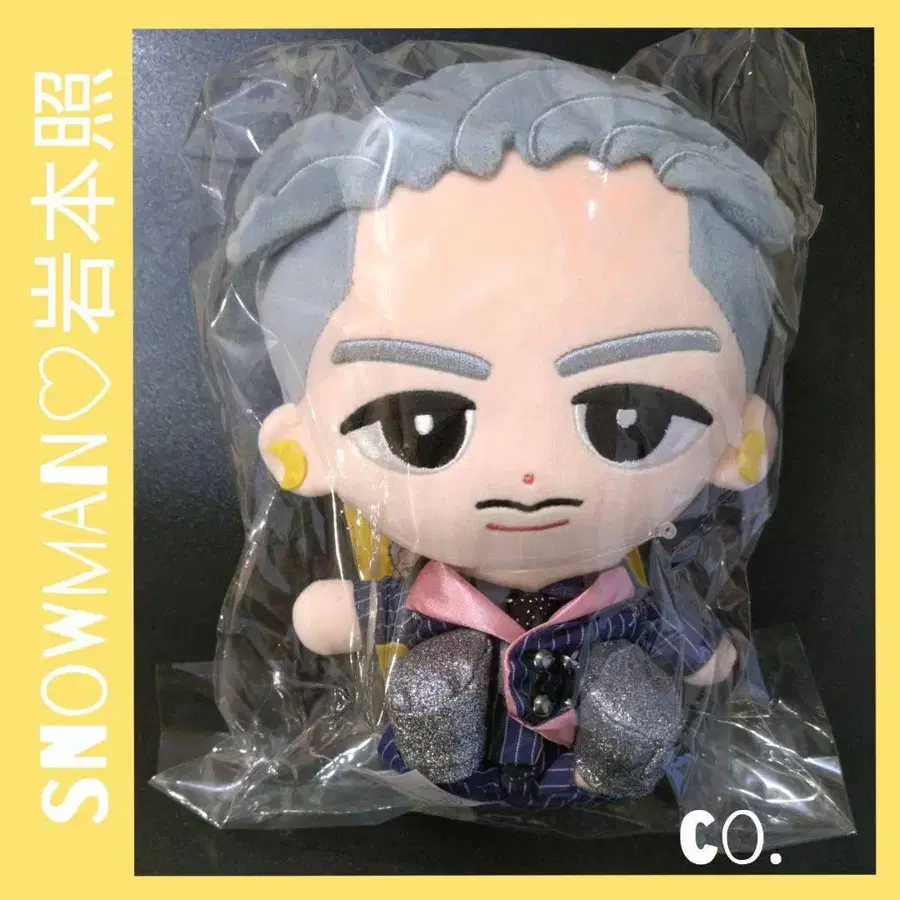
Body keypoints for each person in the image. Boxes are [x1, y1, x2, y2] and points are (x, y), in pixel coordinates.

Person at [226, 59, 792, 807]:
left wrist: (706, 659)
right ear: (299, 449)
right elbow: (355, 614)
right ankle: (448, 756)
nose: (529, 468)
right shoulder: (433, 598)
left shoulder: (626, 603)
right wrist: (342, 614)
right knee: (436, 678)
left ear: (742, 444)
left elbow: (681, 638)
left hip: (581, 756)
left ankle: (610, 769)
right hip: (450, 762)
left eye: (628, 419)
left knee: (632, 693)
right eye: (425, 426)